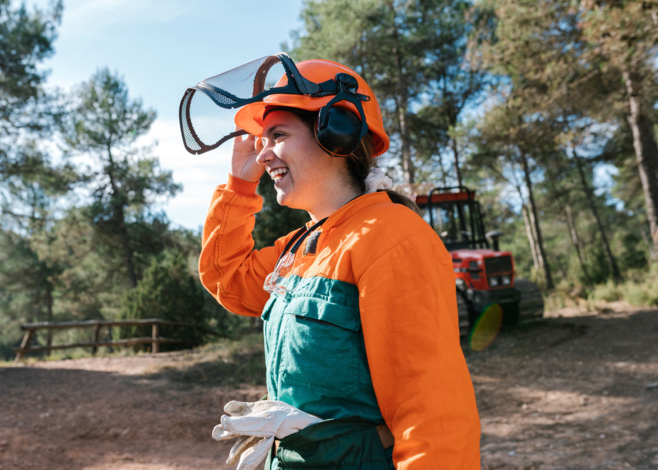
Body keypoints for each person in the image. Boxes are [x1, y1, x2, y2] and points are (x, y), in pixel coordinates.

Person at [196, 57, 480, 469]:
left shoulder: (393, 238)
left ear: (337, 132)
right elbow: (228, 278)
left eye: (277, 135)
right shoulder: (303, 246)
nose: (264, 155)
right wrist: (239, 184)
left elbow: (432, 413)